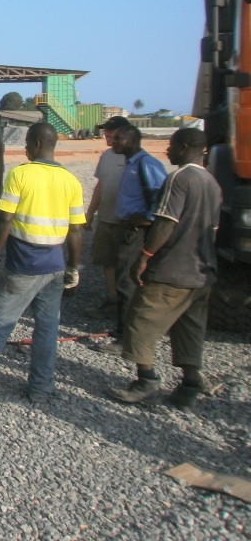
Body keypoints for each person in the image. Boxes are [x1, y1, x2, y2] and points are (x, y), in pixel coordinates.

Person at [0, 122, 85, 403]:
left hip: (24, 263)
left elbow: (5, 219)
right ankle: (40, 388)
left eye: (28, 143)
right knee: (47, 328)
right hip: (54, 266)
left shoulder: (21, 175)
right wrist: (74, 268)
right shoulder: (71, 181)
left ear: (38, 144)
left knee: (1, 323)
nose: (25, 148)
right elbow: (76, 230)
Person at [107, 128, 221, 409]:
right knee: (189, 328)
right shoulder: (212, 183)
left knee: (141, 320)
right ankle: (190, 383)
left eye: (171, 146)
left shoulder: (179, 179)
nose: (167, 151)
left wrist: (145, 255)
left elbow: (166, 222)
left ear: (184, 148)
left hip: (172, 271)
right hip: (201, 273)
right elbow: (214, 230)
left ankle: (146, 380)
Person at [94, 123, 168, 355]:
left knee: (127, 283)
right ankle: (124, 331)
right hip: (128, 227)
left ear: (134, 141)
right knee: (122, 279)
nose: (114, 142)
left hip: (137, 231)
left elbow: (160, 200)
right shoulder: (131, 163)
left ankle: (126, 339)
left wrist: (145, 220)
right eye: (114, 139)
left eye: (119, 139)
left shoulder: (147, 164)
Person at [84, 116, 130, 317]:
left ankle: (127, 305)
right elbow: (100, 187)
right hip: (105, 219)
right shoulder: (106, 156)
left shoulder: (136, 158)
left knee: (127, 265)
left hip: (127, 223)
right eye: (105, 133)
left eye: (110, 134)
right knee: (107, 261)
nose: (106, 137)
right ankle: (112, 300)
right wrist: (90, 213)